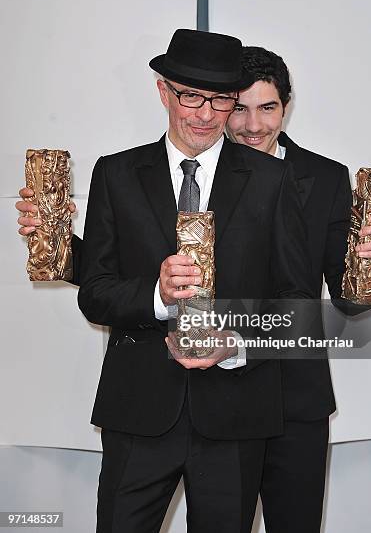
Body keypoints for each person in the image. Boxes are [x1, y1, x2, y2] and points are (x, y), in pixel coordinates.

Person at [16, 29, 316, 533]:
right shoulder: (115, 174)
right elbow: (97, 291)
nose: (204, 114)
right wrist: (156, 294)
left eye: (220, 99)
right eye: (191, 96)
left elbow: (297, 300)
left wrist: (237, 344)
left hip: (237, 416)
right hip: (137, 412)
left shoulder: (274, 180)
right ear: (163, 92)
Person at [225, 45, 371, 533]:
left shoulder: (326, 177)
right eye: (239, 108)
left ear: (286, 106)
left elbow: (349, 298)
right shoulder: (193, 173)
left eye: (267, 107)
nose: (252, 125)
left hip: (297, 398)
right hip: (215, 398)